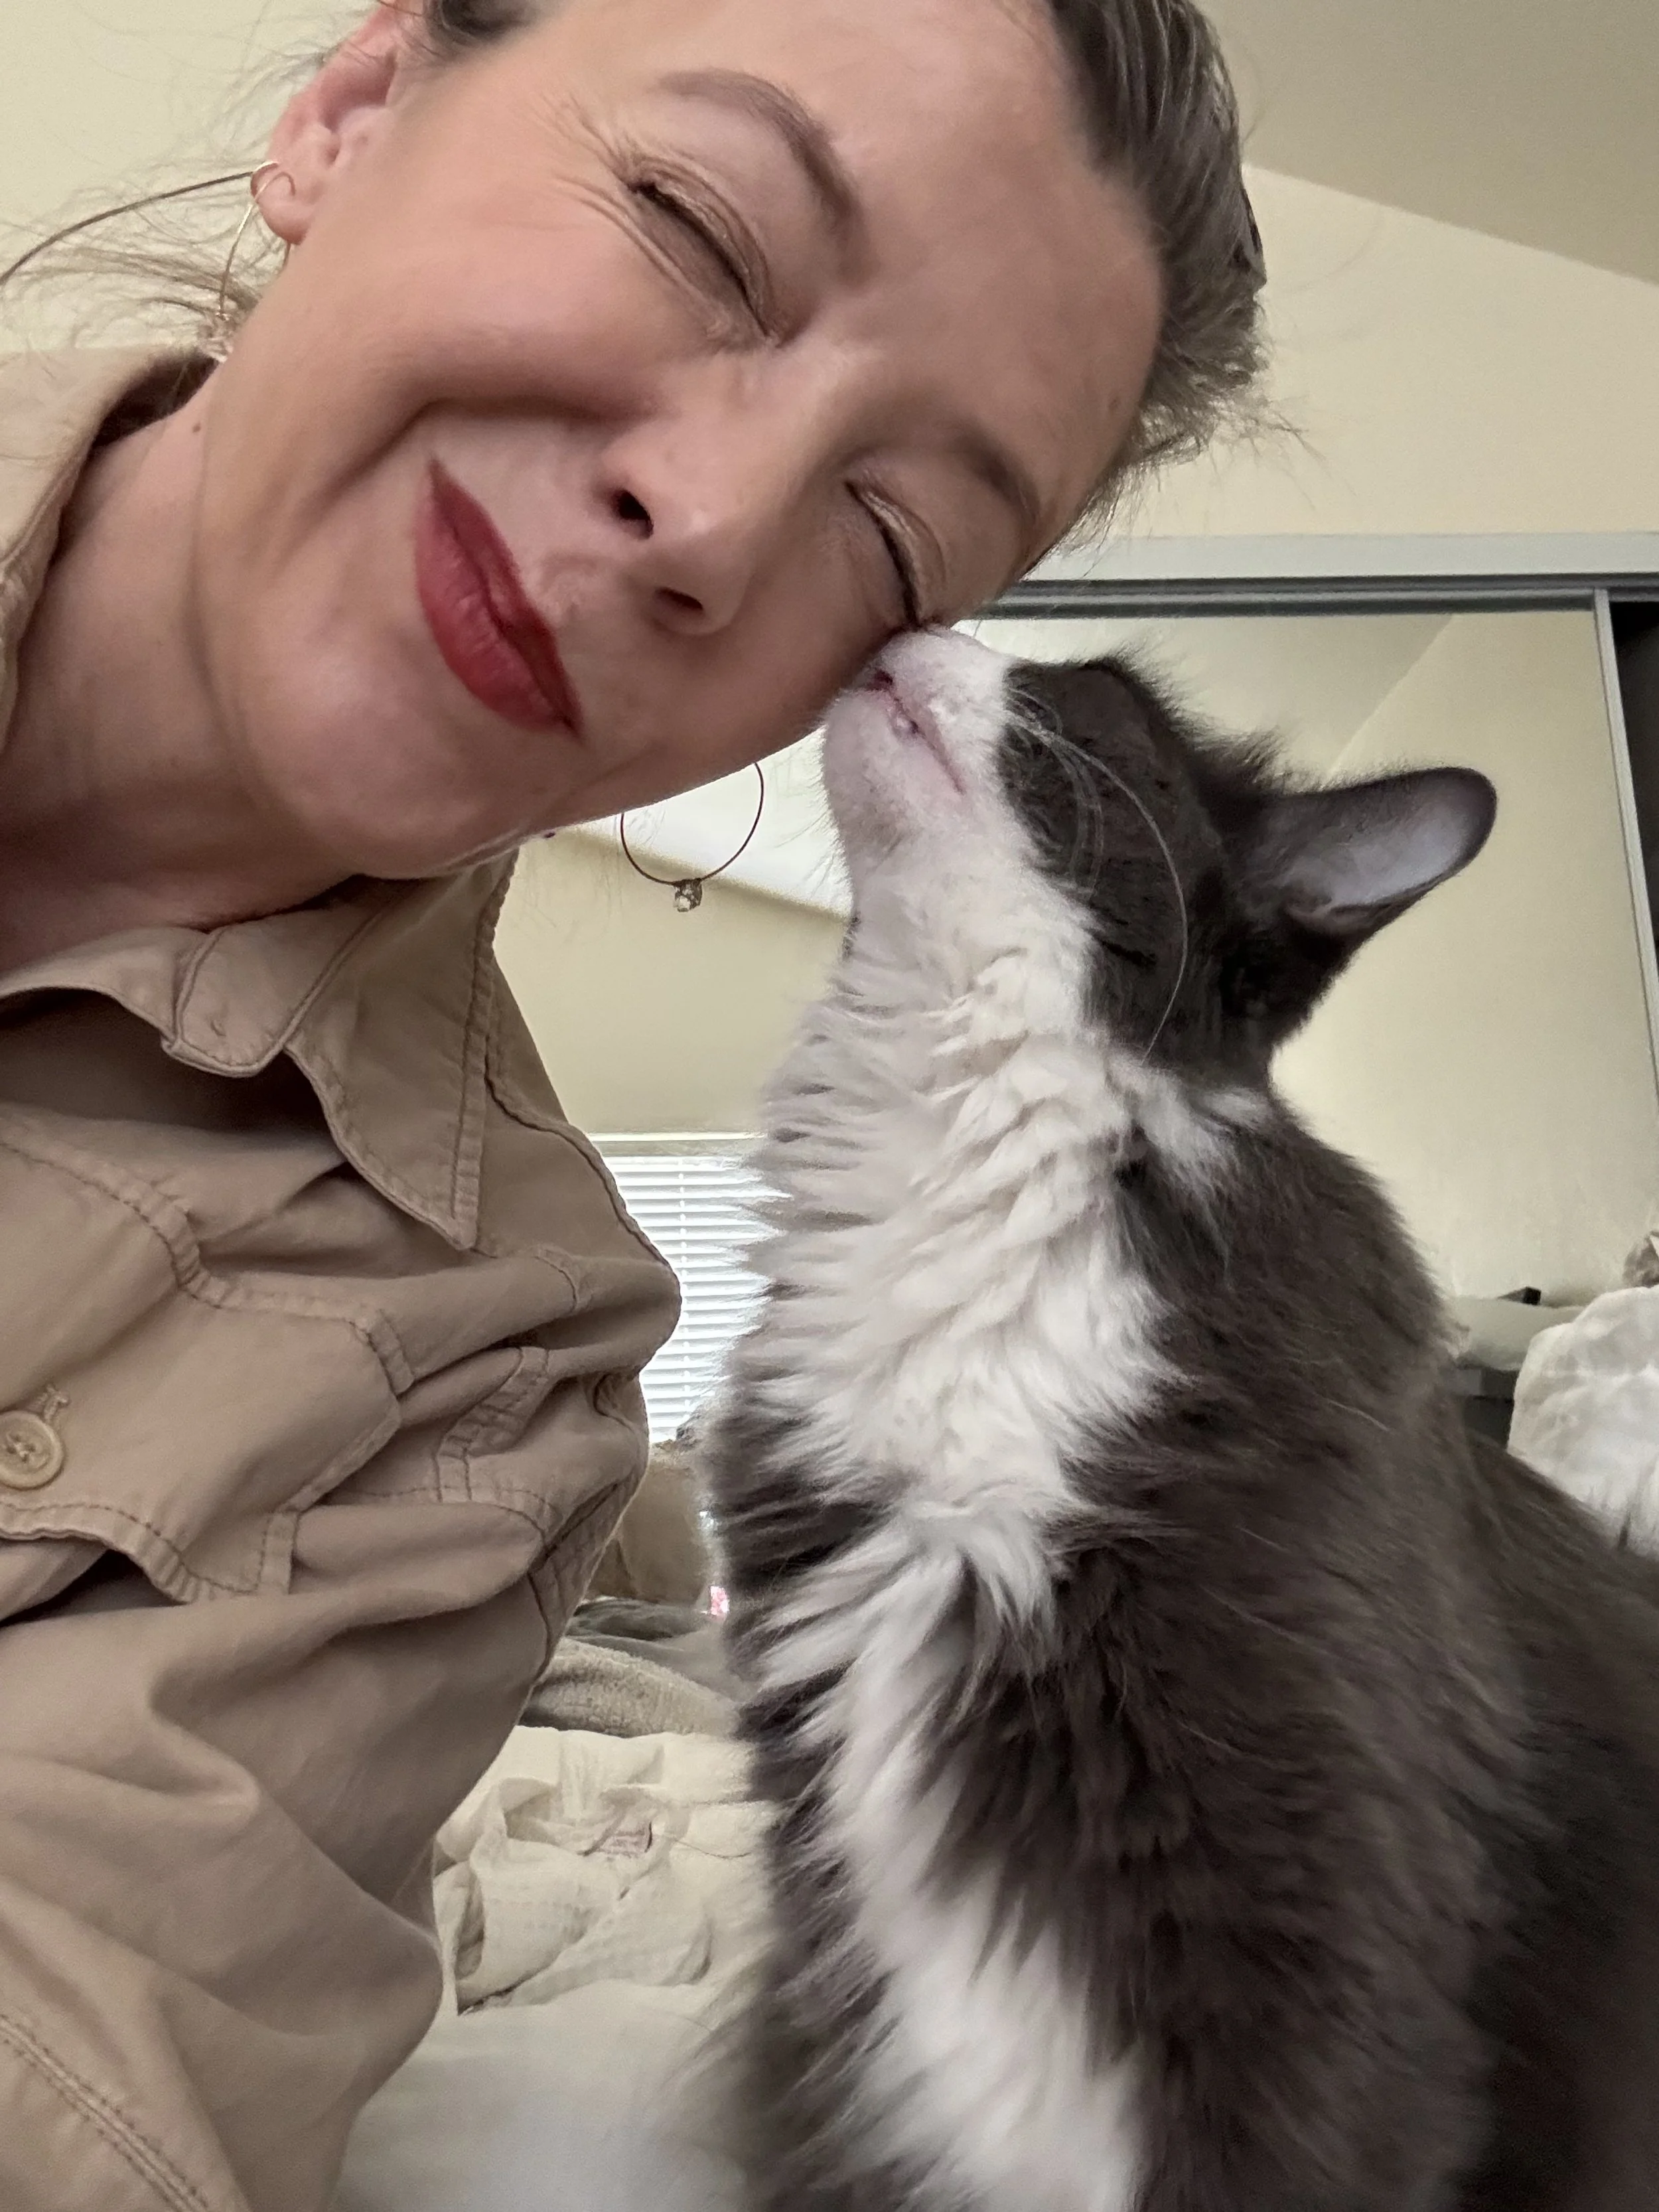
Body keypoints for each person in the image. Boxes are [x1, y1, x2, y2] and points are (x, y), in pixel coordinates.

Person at [0, 0, 1264, 2204]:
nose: (706, 518)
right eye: (695, 225)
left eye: (888, 541)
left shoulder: (485, 1372)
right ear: (353, 112)